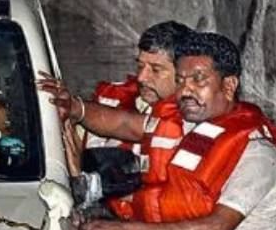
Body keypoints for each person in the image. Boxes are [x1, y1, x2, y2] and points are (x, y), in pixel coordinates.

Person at [39, 31, 276, 230]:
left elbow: (216, 228)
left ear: (228, 85)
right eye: (180, 81)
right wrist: (74, 107)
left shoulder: (258, 152)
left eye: (198, 80)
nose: (185, 92)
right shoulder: (181, 121)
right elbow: (123, 123)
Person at [80, 20, 193, 155]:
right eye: (140, 66)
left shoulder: (194, 118)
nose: (141, 77)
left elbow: (127, 125)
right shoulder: (110, 98)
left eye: (155, 70)